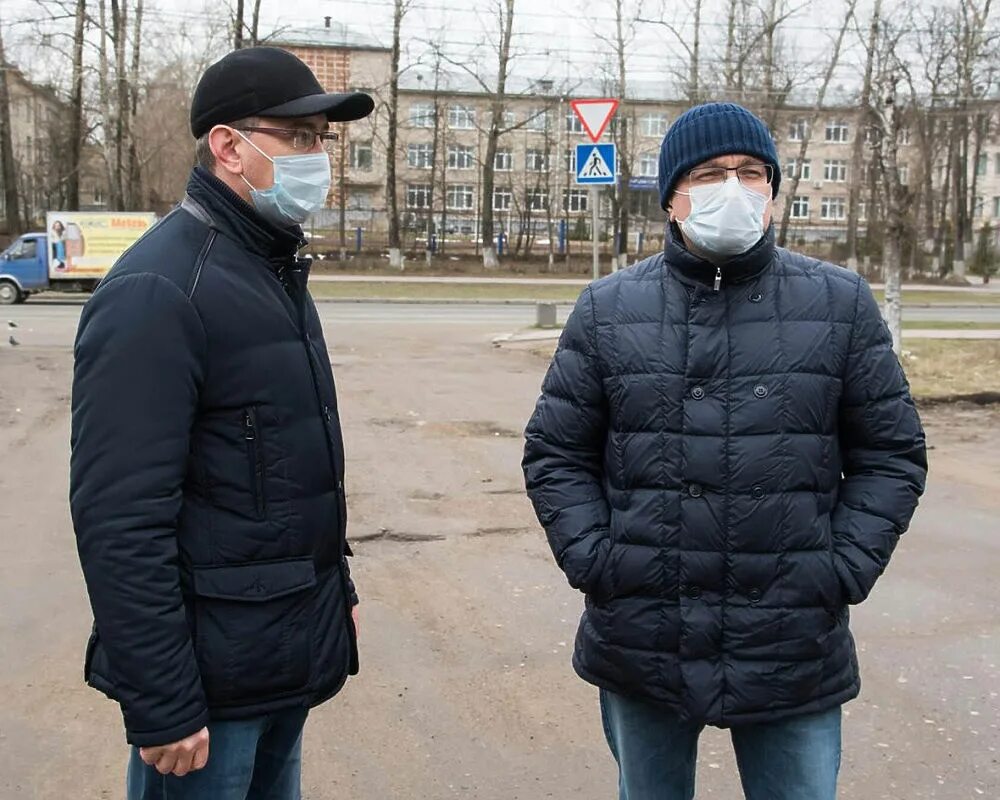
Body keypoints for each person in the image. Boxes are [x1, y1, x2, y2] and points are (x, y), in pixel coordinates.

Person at [522, 102, 927, 800]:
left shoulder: (839, 303)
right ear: (671, 197)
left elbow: (892, 453)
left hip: (792, 636)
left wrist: (839, 570)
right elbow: (556, 453)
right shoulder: (608, 309)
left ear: (772, 190)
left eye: (750, 172)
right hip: (644, 632)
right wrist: (600, 562)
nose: (733, 188)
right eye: (709, 174)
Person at [70, 46, 374, 800]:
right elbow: (121, 518)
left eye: (320, 141)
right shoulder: (160, 287)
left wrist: (334, 591)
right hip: (206, 691)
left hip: (277, 657)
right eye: (297, 138)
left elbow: (284, 471)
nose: (317, 159)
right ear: (228, 147)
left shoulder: (267, 268)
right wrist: (163, 701)